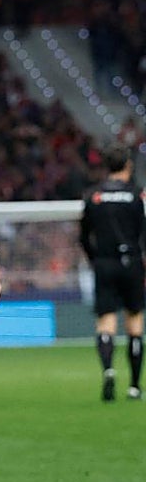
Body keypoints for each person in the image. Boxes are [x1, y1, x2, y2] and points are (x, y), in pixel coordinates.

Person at [79, 145, 146, 401]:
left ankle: (108, 370)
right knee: (135, 323)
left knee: (106, 322)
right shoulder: (135, 195)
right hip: (131, 262)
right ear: (128, 165)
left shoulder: (94, 195)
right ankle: (135, 386)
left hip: (104, 263)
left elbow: (84, 235)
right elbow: (143, 232)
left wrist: (94, 258)